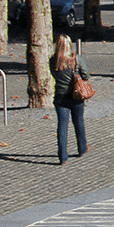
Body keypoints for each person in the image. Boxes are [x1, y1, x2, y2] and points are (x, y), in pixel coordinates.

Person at [50, 34, 92, 165]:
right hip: (76, 96)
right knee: (78, 122)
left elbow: (54, 74)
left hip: (60, 97)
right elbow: (86, 74)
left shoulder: (53, 60)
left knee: (62, 126)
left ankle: (62, 156)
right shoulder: (76, 59)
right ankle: (82, 147)